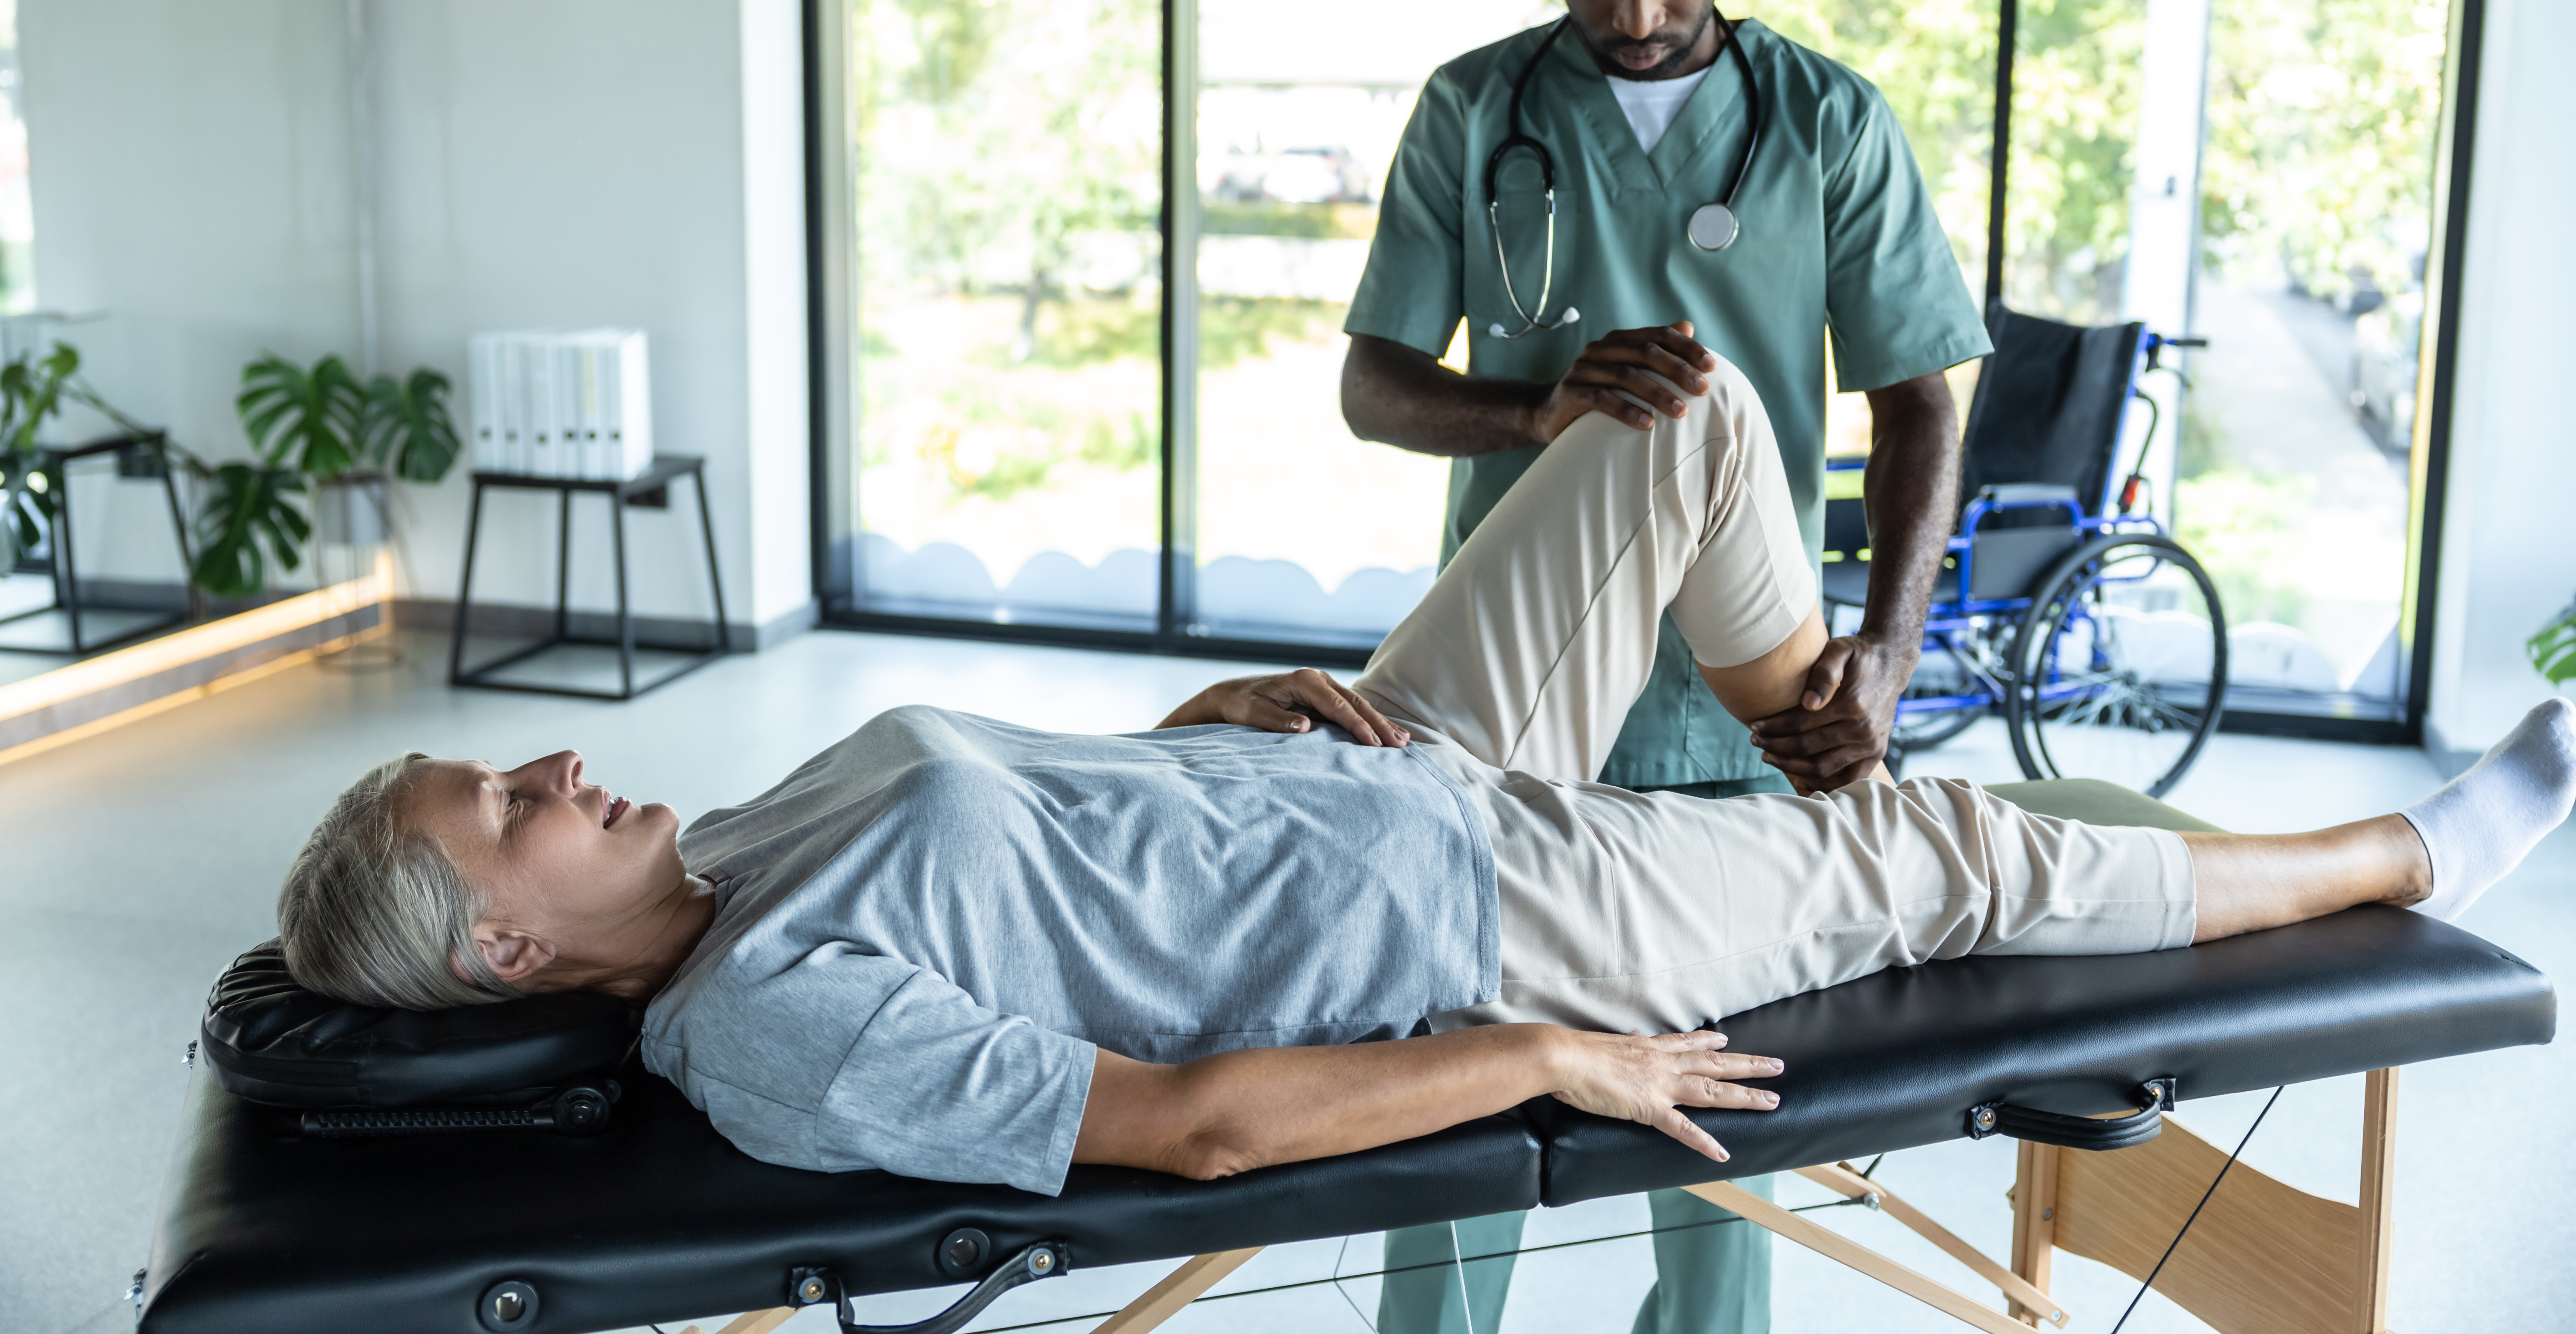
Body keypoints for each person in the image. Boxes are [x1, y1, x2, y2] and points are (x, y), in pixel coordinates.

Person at [276, 371, 2574, 1244]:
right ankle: (2413, 849)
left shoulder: (732, 853)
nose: (555, 763)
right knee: (1952, 856)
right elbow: (1189, 1125)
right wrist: (1546, 1050)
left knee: (1672, 424)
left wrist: (1213, 712)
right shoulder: (766, 1024)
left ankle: (1813, 759)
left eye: (517, 757)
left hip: (1368, 751)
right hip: (1490, 911)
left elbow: (1064, 848)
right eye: (508, 800)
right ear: (509, 947)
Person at [1338, 0, 1989, 1330]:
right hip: (1516, 688)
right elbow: (1374, 383)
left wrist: (1889, 653)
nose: (1636, 14)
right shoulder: (1476, 109)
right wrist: (1536, 412)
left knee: (1719, 1120)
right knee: (1466, 1085)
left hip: (1740, 704)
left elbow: (1919, 403)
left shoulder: (1828, 123)